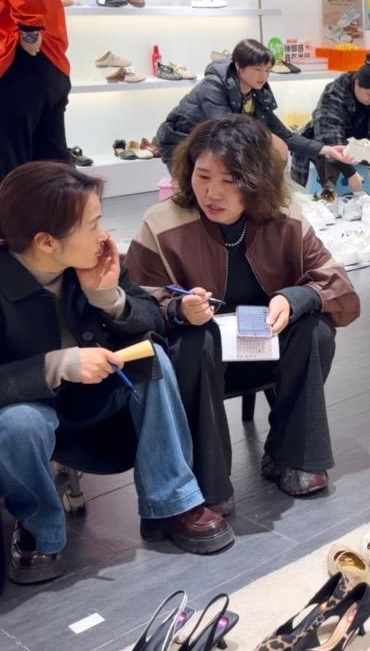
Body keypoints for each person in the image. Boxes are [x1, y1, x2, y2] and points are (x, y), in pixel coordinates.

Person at [0, 162, 234, 584]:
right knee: (17, 423)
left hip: (101, 401)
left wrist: (109, 298)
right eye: (92, 225)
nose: (103, 235)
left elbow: (151, 319)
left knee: (152, 357)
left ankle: (172, 502)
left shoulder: (98, 260)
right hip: (33, 409)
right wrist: (55, 365)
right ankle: (38, 528)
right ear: (46, 241)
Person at [125, 116, 361, 504]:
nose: (212, 193)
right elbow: (135, 302)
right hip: (200, 363)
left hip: (268, 347)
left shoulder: (284, 216)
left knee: (315, 330)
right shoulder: (161, 223)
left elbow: (337, 284)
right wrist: (178, 309)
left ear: (256, 181)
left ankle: (292, 455)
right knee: (195, 341)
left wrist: (292, 298)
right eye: (202, 176)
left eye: (230, 180)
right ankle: (208, 481)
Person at [156, 38, 356, 169]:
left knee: (274, 149)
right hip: (181, 143)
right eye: (258, 69)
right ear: (239, 66)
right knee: (195, 199)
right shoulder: (213, 85)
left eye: (267, 70)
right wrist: (267, 138)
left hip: (216, 144)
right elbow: (224, 128)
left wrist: (326, 149)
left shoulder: (257, 92)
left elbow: (284, 134)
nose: (263, 76)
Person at [288, 53, 370, 200]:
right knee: (326, 151)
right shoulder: (335, 93)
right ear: (356, 83)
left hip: (365, 141)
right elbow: (329, 137)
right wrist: (350, 173)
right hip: (334, 142)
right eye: (369, 95)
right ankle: (327, 198)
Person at [0, 0, 70, 180]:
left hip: (18, 57)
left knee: (11, 166)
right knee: (52, 163)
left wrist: (29, 30)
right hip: (47, 60)